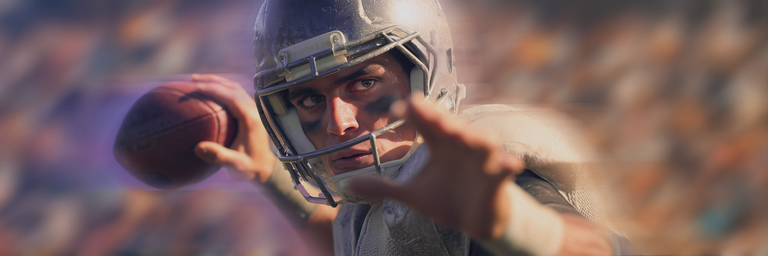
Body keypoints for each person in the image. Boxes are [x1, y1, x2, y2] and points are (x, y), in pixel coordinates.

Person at [191, 0, 619, 255]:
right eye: (309, 99)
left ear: (424, 74)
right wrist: (270, 174)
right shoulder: (379, 193)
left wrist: (511, 224)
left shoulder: (465, 175)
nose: (338, 123)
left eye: (363, 82)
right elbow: (363, 247)